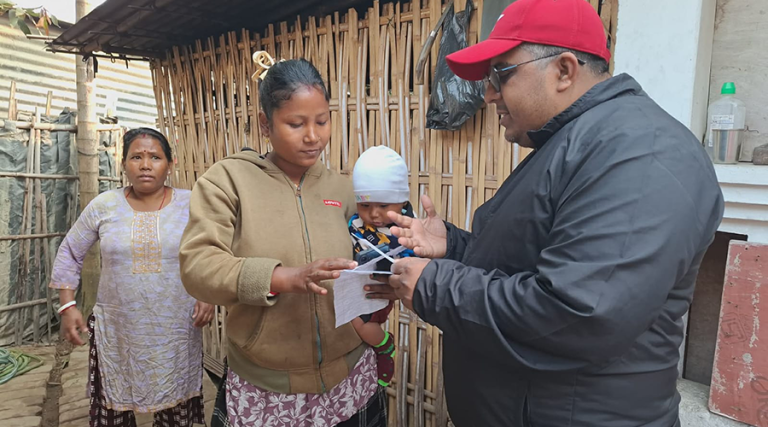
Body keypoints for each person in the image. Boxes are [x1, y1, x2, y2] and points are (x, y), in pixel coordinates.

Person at [365, 0, 725, 426]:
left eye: (500, 74)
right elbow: (539, 260)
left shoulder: (639, 154)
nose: (488, 94)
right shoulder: (582, 141)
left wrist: (435, 286)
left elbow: (580, 314)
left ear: (565, 70)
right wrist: (457, 246)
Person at [178, 58, 387, 427]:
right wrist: (283, 278)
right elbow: (198, 266)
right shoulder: (228, 181)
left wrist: (395, 251)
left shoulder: (343, 188)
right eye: (296, 123)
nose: (313, 136)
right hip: (267, 388)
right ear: (265, 123)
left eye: (322, 121)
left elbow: (370, 255)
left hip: (350, 377)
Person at [50, 128, 214, 427]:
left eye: (155, 157)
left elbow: (212, 253)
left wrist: (207, 294)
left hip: (175, 330)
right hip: (118, 331)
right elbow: (70, 251)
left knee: (176, 403)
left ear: (170, 163)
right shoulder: (105, 206)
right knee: (114, 402)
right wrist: (67, 305)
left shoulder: (191, 204)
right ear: (123, 163)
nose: (146, 164)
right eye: (136, 157)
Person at [348, 145, 415, 387]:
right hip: (357, 287)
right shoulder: (355, 223)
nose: (374, 214)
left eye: (384, 206)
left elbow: (413, 264)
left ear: (402, 201)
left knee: (361, 325)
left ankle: (385, 346)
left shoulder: (407, 232)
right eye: (365, 206)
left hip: (379, 291)